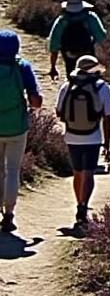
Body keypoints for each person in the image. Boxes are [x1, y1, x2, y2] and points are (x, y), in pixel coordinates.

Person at [56, 54, 110, 232]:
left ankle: (79, 204)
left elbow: (59, 113)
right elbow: (108, 117)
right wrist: (107, 144)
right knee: (89, 173)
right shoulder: (101, 87)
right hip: (93, 137)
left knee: (78, 173)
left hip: (72, 136)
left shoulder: (67, 86)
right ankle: (83, 207)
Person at [0, 30, 43, 233]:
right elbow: (36, 101)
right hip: (16, 127)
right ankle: (8, 215)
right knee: (12, 171)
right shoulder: (22, 67)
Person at [48, 0, 108, 80]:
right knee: (91, 79)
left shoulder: (62, 21)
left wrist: (53, 67)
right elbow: (101, 38)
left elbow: (54, 46)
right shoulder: (90, 17)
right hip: (87, 53)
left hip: (69, 55)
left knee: (71, 78)